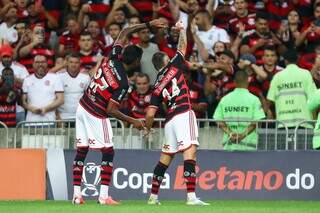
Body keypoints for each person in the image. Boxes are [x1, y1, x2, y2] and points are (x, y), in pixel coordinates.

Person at [72, 19, 166, 205]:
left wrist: (146, 25)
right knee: (108, 152)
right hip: (96, 113)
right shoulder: (122, 82)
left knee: (82, 150)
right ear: (137, 61)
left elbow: (124, 32)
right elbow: (111, 109)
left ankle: (77, 195)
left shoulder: (113, 56)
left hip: (82, 106)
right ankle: (103, 196)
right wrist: (134, 121)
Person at [144, 21, 209, 206]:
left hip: (169, 121)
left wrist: (148, 129)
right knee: (190, 153)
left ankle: (153, 197)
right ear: (165, 61)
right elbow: (183, 45)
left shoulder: (155, 86)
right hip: (183, 113)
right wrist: (181, 30)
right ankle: (191, 197)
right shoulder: (174, 66)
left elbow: (149, 113)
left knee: (165, 158)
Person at [267, 50, 317, 149]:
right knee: (304, 158)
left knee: (284, 160)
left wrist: (277, 114)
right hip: (304, 123)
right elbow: (314, 98)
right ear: (297, 59)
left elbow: (270, 101)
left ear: (285, 61)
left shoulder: (277, 77)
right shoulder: (305, 74)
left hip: (283, 123)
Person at [213, 70, 266, 151]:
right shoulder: (254, 99)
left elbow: (218, 120)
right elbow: (256, 121)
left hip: (229, 145)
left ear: (234, 82)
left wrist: (230, 133)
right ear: (248, 80)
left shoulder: (225, 99)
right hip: (249, 146)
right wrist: (242, 136)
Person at [22, 55, 64, 122]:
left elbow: (61, 100)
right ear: (33, 64)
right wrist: (31, 109)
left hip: (49, 121)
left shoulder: (55, 78)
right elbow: (23, 101)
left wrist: (45, 109)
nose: (40, 64)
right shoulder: (27, 79)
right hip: (30, 121)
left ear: (47, 63)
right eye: (37, 62)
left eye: (43, 62)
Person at [57, 53, 90, 120]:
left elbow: (89, 98)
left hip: (81, 116)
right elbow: (53, 98)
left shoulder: (86, 77)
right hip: (63, 116)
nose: (73, 65)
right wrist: (57, 116)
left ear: (80, 63)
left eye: (76, 62)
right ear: (67, 63)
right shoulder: (59, 77)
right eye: (71, 62)